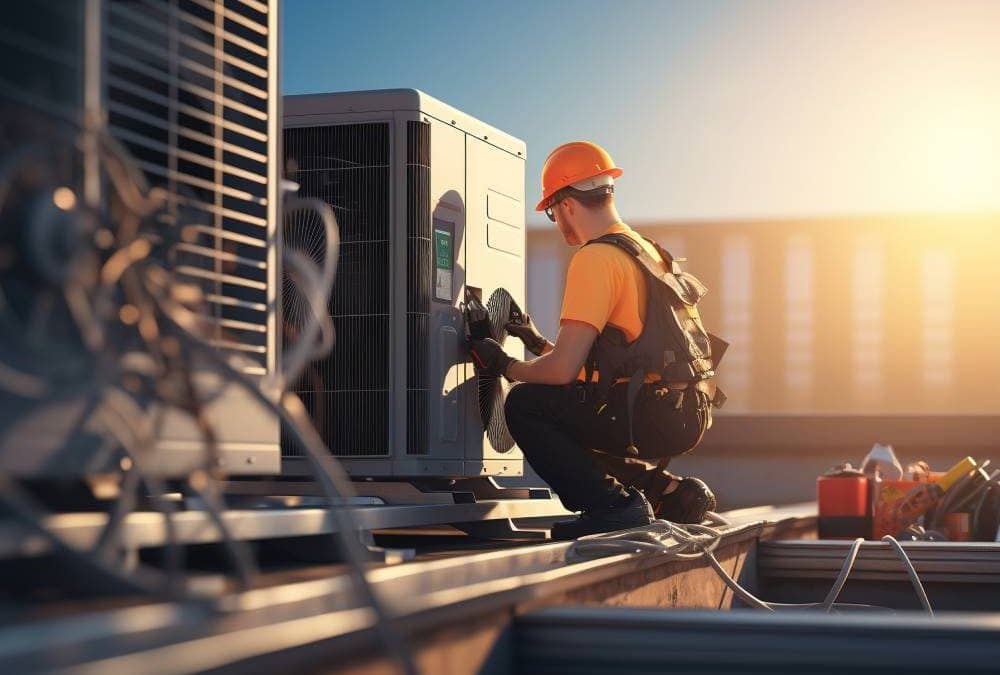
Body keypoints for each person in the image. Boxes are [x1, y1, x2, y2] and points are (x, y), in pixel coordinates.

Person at [468, 141, 721, 540]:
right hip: (687, 409)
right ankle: (671, 493)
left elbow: (562, 373)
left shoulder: (595, 259)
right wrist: (536, 344)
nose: (556, 221)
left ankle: (613, 506)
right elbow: (612, 362)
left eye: (552, 212)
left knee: (528, 405)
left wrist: (503, 365)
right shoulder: (645, 250)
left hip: (650, 412)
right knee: (572, 411)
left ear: (566, 204)